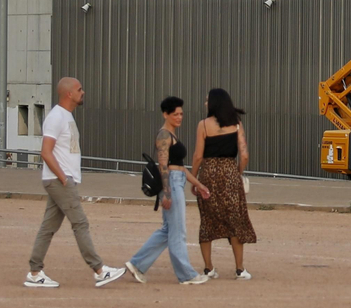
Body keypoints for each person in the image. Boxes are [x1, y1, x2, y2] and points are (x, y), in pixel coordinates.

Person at [26, 77, 127, 289]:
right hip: (59, 180)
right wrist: (63, 178)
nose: (83, 92)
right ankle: (99, 270)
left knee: (48, 227)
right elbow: (45, 152)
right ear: (69, 94)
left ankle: (35, 272)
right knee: (80, 223)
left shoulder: (66, 116)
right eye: (79, 89)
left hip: (60, 180)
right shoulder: (56, 117)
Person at [125, 96, 212, 286]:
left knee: (168, 230)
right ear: (166, 114)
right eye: (175, 114)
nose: (179, 117)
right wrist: (166, 192)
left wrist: (199, 184)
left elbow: (180, 167)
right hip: (171, 183)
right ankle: (186, 274)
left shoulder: (171, 135)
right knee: (178, 231)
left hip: (176, 180)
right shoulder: (164, 135)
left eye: (181, 114)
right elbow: (163, 165)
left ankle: (137, 264)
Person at [193, 87, 258, 279]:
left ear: (214, 103)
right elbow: (244, 155)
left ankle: (209, 268)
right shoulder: (236, 124)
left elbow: (198, 156)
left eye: (207, 100)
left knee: (207, 220)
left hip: (209, 174)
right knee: (235, 221)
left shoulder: (203, 125)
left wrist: (194, 179)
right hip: (230, 173)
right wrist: (236, 173)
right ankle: (239, 268)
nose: (205, 103)